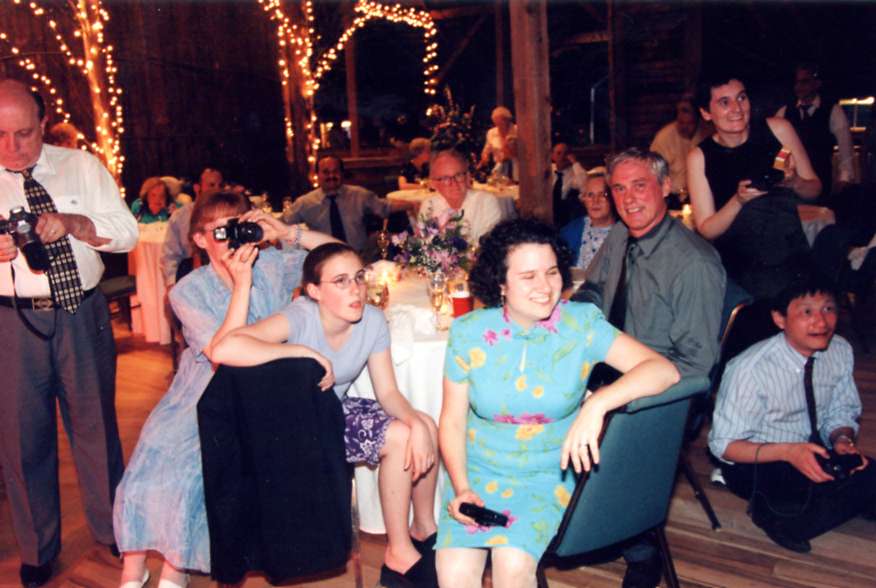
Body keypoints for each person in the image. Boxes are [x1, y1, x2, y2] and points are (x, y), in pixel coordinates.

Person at [435, 218, 680, 588]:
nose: (545, 287)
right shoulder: (468, 331)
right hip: (478, 472)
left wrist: (598, 403)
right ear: (500, 283)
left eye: (551, 272)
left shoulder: (581, 325)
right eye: (528, 276)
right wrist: (461, 485)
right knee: (453, 576)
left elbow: (663, 371)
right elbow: (452, 421)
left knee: (512, 568)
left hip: (550, 473)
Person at [113, 191, 336, 588]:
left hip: (264, 388)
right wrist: (241, 284)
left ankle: (175, 566)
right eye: (219, 232)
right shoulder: (186, 290)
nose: (230, 239)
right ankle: (135, 565)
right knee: (152, 464)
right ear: (199, 239)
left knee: (195, 471)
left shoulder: (272, 265)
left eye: (236, 227)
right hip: (203, 387)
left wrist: (288, 233)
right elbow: (223, 352)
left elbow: (341, 258)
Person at [212, 242, 440, 588]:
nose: (356, 289)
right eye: (341, 281)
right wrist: (302, 352)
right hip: (294, 426)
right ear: (314, 291)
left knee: (424, 425)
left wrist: (414, 421)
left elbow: (388, 393)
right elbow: (223, 349)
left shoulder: (373, 319)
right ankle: (399, 552)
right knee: (401, 435)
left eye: (359, 278)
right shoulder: (301, 316)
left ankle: (423, 528)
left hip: (331, 413)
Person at [0, 79, 139, 588]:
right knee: (22, 439)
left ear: (43, 124)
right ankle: (37, 550)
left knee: (96, 427)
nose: (12, 147)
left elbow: (127, 233)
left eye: (23, 133)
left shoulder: (81, 166)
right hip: (11, 321)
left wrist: (77, 222)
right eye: (0, 136)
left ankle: (113, 530)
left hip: (82, 312)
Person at [573, 149, 725, 587]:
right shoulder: (622, 234)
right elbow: (596, 290)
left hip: (661, 394)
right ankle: (562, 515)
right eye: (619, 189)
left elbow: (696, 368)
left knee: (591, 426)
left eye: (640, 186)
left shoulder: (692, 263)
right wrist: (567, 318)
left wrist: (619, 397)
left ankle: (640, 547)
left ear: (665, 188)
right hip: (607, 367)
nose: (628, 199)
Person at [709, 273, 876, 553]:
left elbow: (842, 410)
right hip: (758, 458)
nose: (821, 322)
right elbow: (724, 445)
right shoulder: (749, 369)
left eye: (828, 308)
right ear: (780, 319)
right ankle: (778, 513)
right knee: (799, 505)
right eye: (807, 312)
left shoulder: (840, 350)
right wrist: (788, 452)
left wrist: (842, 439)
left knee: (860, 472)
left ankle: (833, 497)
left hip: (812, 448)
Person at [687, 72, 820, 303]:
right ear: (706, 113)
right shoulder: (699, 156)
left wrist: (794, 182)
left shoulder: (778, 129)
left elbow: (815, 189)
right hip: (742, 271)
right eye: (724, 102)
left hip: (791, 260)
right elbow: (707, 228)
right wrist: (738, 200)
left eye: (741, 98)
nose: (737, 108)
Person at [286, 155, 413, 252]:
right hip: (324, 259)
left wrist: (414, 204)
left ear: (342, 174)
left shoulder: (359, 195)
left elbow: (385, 207)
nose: (331, 176)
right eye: (326, 172)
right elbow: (284, 221)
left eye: (335, 171)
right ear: (317, 175)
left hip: (359, 256)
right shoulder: (305, 202)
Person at [775, 63, 854, 201]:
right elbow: (778, 148)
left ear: (817, 83)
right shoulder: (784, 112)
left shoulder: (833, 110)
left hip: (821, 178)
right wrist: (779, 169)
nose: (799, 86)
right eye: (797, 82)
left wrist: (844, 178)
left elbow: (845, 145)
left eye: (805, 82)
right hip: (792, 182)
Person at [422, 149, 505, 243]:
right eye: (445, 178)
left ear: (468, 177)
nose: (454, 183)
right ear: (433, 183)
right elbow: (425, 243)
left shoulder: (485, 202)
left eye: (458, 175)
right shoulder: (429, 205)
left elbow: (489, 244)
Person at [159, 167, 223, 287]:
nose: (217, 190)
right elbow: (170, 256)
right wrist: (171, 285)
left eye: (220, 185)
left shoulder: (227, 216)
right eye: (211, 185)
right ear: (197, 188)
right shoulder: (180, 216)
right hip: (190, 278)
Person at [649, 97, 711, 208]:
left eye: (689, 123)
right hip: (672, 198)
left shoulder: (707, 133)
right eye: (681, 122)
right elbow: (653, 171)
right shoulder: (664, 137)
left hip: (701, 194)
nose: (684, 127)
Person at [559, 172, 616, 270]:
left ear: (613, 198)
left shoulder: (625, 235)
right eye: (590, 195)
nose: (595, 201)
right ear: (583, 199)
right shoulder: (569, 233)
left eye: (603, 195)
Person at [550, 142, 589, 227]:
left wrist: (575, 162)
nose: (562, 157)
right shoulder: (548, 170)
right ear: (552, 156)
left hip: (565, 215)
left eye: (566, 153)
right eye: (559, 153)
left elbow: (584, 186)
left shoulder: (574, 173)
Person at [479, 106, 518, 181]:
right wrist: (485, 157)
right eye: (496, 123)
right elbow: (486, 150)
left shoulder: (518, 130)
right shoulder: (491, 132)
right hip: (499, 169)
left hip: (517, 169)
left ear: (507, 120)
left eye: (501, 123)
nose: (498, 126)